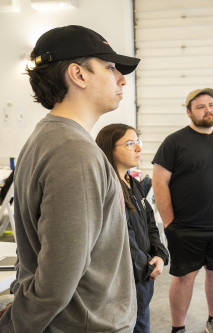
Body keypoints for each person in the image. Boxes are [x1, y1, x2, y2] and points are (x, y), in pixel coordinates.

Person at [0, 25, 140, 332]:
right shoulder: (74, 153)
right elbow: (58, 276)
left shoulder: (52, 137)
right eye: (110, 67)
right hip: (85, 325)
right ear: (78, 75)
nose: (121, 79)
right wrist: (18, 324)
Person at [152, 88, 213, 333]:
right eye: (200, 106)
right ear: (189, 112)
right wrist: (169, 223)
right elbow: (159, 181)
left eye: (211, 105)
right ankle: (178, 328)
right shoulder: (174, 142)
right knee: (184, 277)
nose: (208, 110)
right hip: (186, 228)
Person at [96, 124, 169, 333]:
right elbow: (121, 238)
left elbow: (150, 224)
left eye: (138, 142)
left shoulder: (132, 182)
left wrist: (160, 254)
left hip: (142, 283)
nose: (138, 148)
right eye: (130, 144)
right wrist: (147, 267)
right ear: (110, 148)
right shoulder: (109, 188)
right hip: (124, 286)